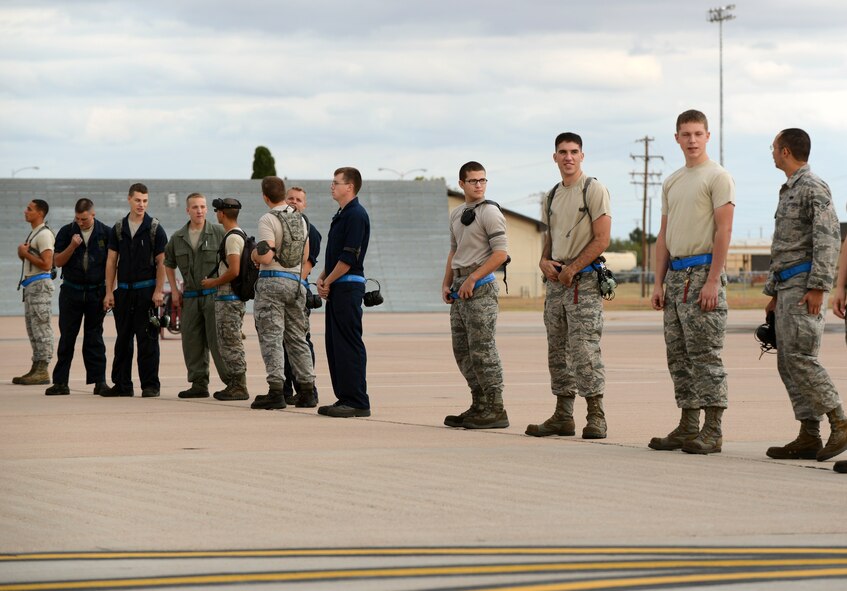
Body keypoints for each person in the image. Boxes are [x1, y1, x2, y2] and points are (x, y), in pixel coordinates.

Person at [649, 109, 734, 455]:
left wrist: (713, 279)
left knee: (705, 355)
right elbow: (663, 235)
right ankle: (688, 425)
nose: (692, 140)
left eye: (698, 134)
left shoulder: (717, 177)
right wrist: (658, 283)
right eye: (686, 134)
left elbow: (723, 230)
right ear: (677, 138)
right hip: (676, 276)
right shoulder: (672, 181)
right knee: (679, 356)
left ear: (708, 137)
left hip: (702, 274)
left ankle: (712, 430)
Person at [766, 128, 845, 463]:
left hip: (804, 286)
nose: (771, 152)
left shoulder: (813, 187)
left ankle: (839, 421)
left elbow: (828, 238)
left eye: (773, 147)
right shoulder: (788, 190)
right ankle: (809, 434)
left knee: (801, 358)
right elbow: (785, 245)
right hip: (787, 286)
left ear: (785, 151)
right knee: (788, 362)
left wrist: (818, 287)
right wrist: (772, 291)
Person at [526, 133, 612, 438]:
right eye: (562, 152)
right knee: (557, 349)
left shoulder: (593, 189)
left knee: (584, 348)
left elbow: (602, 238)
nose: (568, 157)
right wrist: (544, 260)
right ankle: (563, 414)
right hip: (557, 281)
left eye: (574, 151)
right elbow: (551, 234)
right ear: (555, 157)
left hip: (584, 280)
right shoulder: (552, 195)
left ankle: (596, 415)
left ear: (582, 156)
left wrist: (572, 269)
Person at [441, 161, 510, 429]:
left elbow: (500, 254)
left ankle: (496, 408)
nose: (479, 185)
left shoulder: (490, 212)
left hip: (480, 287)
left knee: (483, 349)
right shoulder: (457, 213)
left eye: (483, 180)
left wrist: (473, 278)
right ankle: (479, 404)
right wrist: (447, 283)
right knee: (463, 350)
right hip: (460, 288)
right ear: (461, 184)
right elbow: (453, 252)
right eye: (473, 181)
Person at [250, 176, 316, 410]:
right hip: (296, 283)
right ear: (283, 194)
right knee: (297, 338)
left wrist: (254, 256)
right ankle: (307, 390)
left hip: (272, 282)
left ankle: (276, 391)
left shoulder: (268, 219)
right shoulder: (300, 219)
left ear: (265, 197)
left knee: (272, 337)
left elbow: (266, 255)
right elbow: (306, 254)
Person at [101, 183, 168, 398]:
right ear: (129, 199)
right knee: (123, 341)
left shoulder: (155, 228)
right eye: (138, 200)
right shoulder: (118, 228)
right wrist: (109, 292)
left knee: (147, 340)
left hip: (146, 292)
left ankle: (150, 386)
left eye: (145, 201)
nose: (141, 204)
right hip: (124, 293)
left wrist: (159, 291)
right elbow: (111, 262)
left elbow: (162, 263)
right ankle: (122, 385)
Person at [316, 167, 371, 417]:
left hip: (348, 287)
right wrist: (322, 277)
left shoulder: (356, 215)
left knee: (348, 344)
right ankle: (345, 396)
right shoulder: (341, 214)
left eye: (336, 182)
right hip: (337, 285)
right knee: (335, 345)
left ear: (349, 187)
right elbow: (335, 253)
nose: (332, 186)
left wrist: (328, 280)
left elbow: (349, 257)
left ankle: (357, 400)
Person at [164, 193, 229, 399]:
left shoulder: (219, 232)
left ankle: (234, 382)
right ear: (187, 210)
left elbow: (234, 259)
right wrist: (174, 290)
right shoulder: (178, 238)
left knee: (218, 341)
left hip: (214, 296)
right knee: (192, 341)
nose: (199, 210)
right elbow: (168, 263)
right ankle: (199, 383)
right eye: (195, 207)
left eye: (202, 207)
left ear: (207, 210)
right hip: (190, 296)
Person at [46, 198, 110, 396]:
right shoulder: (67, 231)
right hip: (71, 292)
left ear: (93, 214)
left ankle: (99, 381)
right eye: (77, 218)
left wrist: (109, 293)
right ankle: (60, 382)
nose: (80, 222)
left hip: (95, 292)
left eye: (83, 219)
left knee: (94, 338)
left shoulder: (105, 233)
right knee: (67, 337)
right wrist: (72, 246)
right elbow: (56, 261)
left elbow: (112, 265)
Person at [201, 198, 250, 401]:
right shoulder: (239, 235)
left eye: (217, 212)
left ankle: (239, 386)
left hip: (229, 298)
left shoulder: (232, 238)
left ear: (221, 214)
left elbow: (234, 270)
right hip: (230, 298)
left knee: (230, 342)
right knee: (228, 341)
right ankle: (235, 384)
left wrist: (213, 282)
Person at [281, 186, 321, 407]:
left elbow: (308, 264)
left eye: (298, 200)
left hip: (297, 292)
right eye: (290, 198)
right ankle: (285, 389)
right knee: (279, 341)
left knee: (300, 341)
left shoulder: (310, 230)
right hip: (279, 292)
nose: (294, 202)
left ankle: (307, 389)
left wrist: (292, 283)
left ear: (304, 205)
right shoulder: (277, 225)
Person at [13, 199, 55, 386]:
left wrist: (24, 253)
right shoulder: (35, 233)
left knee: (41, 327)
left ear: (40, 213)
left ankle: (43, 369)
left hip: (40, 285)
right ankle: (36, 366)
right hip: (31, 285)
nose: (25, 211)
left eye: (29, 209)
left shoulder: (44, 235)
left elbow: (47, 264)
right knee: (33, 328)